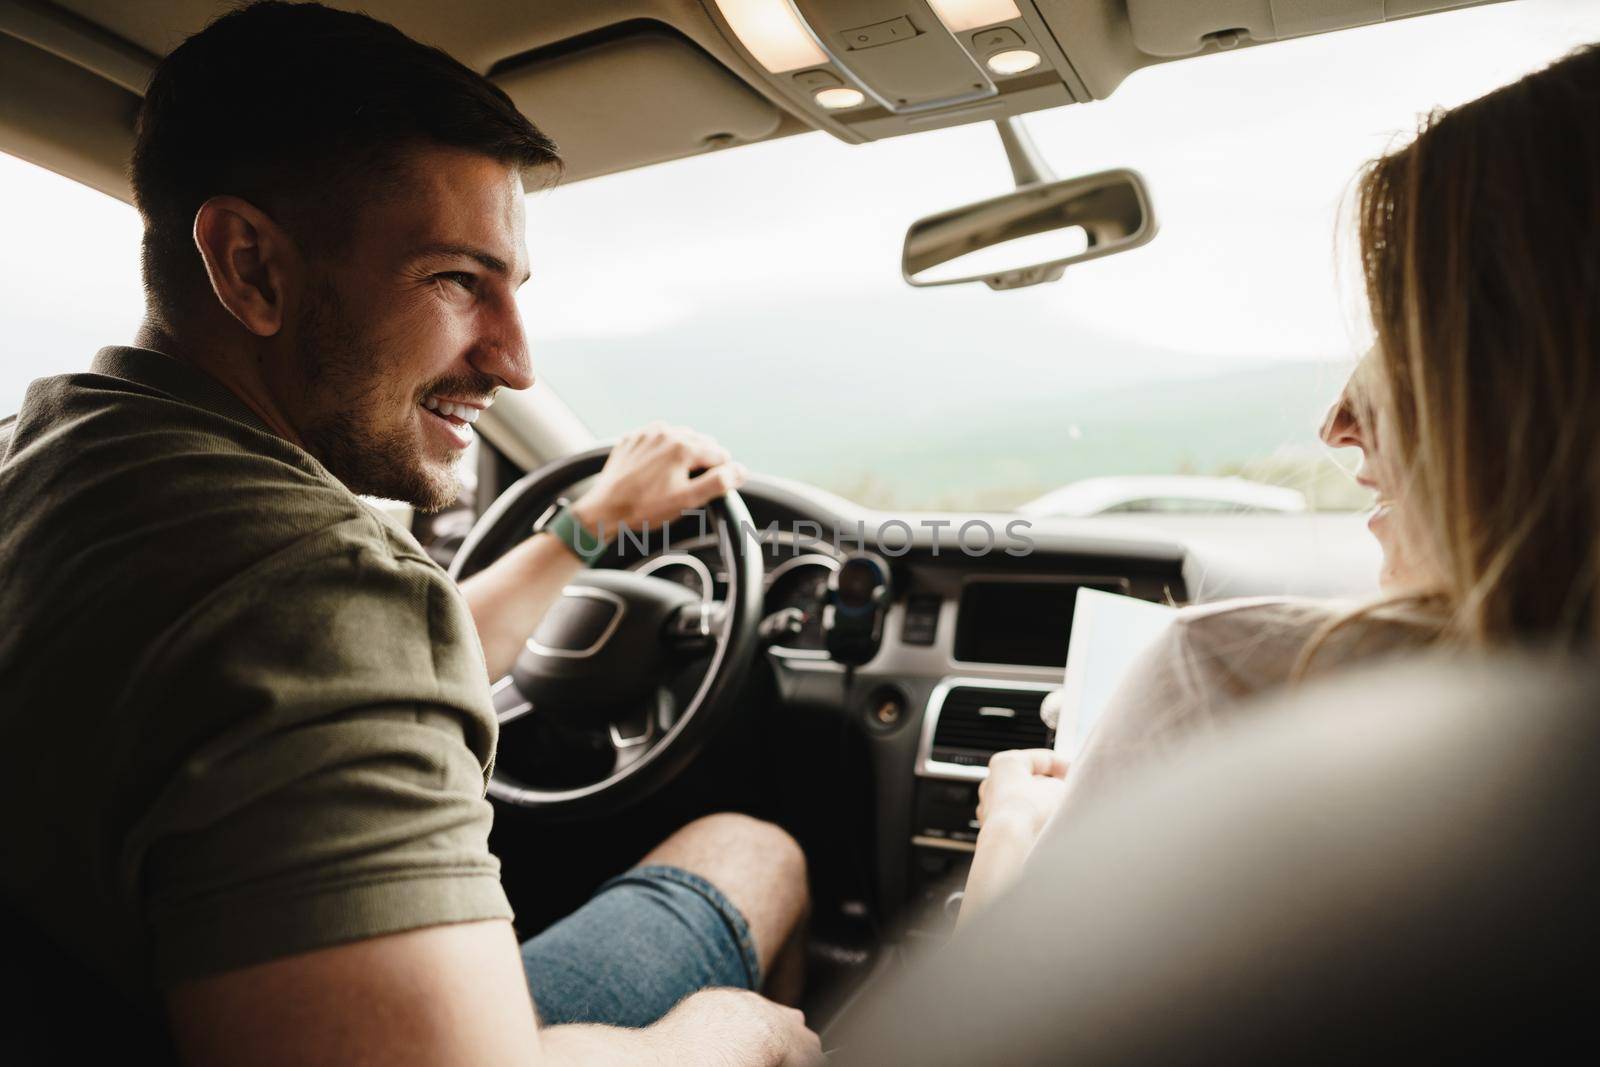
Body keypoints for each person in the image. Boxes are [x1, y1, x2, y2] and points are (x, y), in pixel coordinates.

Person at [0, 3, 820, 1064]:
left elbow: (327, 678)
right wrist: (725, 1035)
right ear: (249, 265)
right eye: (455, 280)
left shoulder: (60, 460)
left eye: (512, 291)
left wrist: (588, 525)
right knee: (754, 850)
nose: (517, 362)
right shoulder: (310, 589)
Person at [962, 40, 1600, 920]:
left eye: (1410, 333)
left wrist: (1014, 831)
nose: (1336, 421)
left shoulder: (1232, 676)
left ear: (1542, 379)